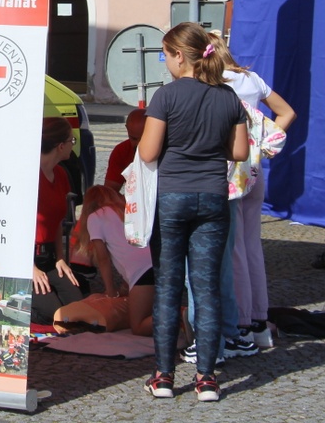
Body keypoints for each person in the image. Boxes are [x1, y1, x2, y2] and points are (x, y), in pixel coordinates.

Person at [138, 21, 248, 403]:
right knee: (207, 288)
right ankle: (207, 379)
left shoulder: (166, 96)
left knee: (168, 288)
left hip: (172, 197)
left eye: (165, 55)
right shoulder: (229, 97)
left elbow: (148, 152)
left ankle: (163, 377)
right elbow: (240, 152)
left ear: (179, 57)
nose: (165, 61)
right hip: (213, 198)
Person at [210, 32, 296, 350]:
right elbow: (287, 112)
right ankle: (259, 320)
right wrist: (262, 142)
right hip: (255, 169)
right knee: (251, 246)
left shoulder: (213, 83)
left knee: (233, 250)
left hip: (228, 170)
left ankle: (242, 321)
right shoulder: (252, 79)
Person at [71, 184, 154, 335]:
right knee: (154, 309)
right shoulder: (125, 210)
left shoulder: (95, 217)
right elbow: (131, 250)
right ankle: (182, 316)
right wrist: (124, 286)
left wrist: (110, 292)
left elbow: (103, 260)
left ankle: (182, 316)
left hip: (142, 273)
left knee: (138, 326)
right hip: (155, 265)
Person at [31, 117, 83, 325]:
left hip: (50, 256)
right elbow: (13, 227)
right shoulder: (30, 175)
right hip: (29, 259)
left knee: (77, 307)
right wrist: (30, 267)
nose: (73, 145)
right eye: (72, 141)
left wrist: (60, 258)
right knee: (55, 314)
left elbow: (57, 222)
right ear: (61, 146)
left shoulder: (60, 174)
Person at [104, 109, 146, 192]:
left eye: (144, 139)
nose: (138, 144)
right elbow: (110, 191)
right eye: (134, 138)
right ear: (127, 129)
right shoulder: (122, 151)